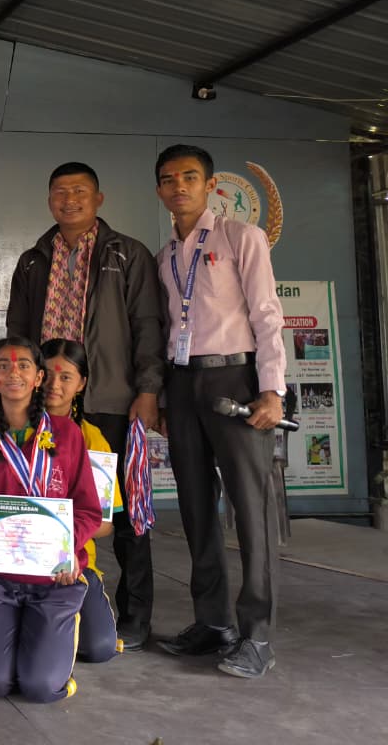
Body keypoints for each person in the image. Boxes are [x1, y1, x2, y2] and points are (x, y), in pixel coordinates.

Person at [5, 161, 163, 648]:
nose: (69, 199)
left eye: (79, 191)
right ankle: (37, 594)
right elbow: (17, 331)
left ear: (99, 198)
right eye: (60, 191)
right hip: (47, 404)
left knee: (123, 514)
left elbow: (148, 325)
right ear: (49, 199)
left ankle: (135, 615)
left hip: (110, 400)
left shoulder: (127, 254)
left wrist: (148, 389)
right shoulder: (34, 260)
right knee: (42, 498)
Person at [153, 144, 285, 680]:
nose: (179, 186)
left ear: (210, 186)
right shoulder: (165, 255)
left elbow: (267, 314)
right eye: (168, 179)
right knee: (195, 506)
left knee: (250, 509)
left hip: (236, 377)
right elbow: (170, 326)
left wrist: (272, 389)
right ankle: (213, 622)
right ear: (159, 190)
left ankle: (257, 635)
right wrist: (166, 397)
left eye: (189, 177)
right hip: (184, 383)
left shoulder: (241, 237)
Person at [0, 337, 101, 703]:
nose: (13, 372)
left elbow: (87, 510)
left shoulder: (68, 435)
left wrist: (68, 552)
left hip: (54, 578)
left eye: (23, 365)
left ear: (38, 378)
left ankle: (53, 655)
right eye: (3, 366)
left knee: (40, 686)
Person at [40, 338, 123, 663]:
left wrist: (62, 541)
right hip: (18, 558)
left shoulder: (92, 439)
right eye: (47, 374)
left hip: (75, 562)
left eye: (66, 377)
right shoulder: (13, 429)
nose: (54, 385)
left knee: (98, 647)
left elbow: (104, 525)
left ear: (82, 383)